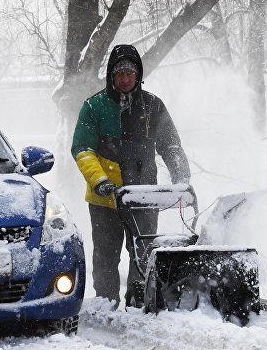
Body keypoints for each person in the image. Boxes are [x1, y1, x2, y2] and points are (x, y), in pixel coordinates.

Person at [71, 44, 192, 308]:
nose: (125, 79)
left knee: (144, 253)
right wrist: (100, 180)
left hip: (143, 196)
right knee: (106, 256)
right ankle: (106, 303)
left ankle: (139, 302)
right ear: (111, 77)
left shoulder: (153, 106)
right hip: (106, 200)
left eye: (130, 73)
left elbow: (171, 145)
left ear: (138, 75)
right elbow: (82, 149)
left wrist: (182, 177)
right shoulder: (94, 107)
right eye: (120, 74)